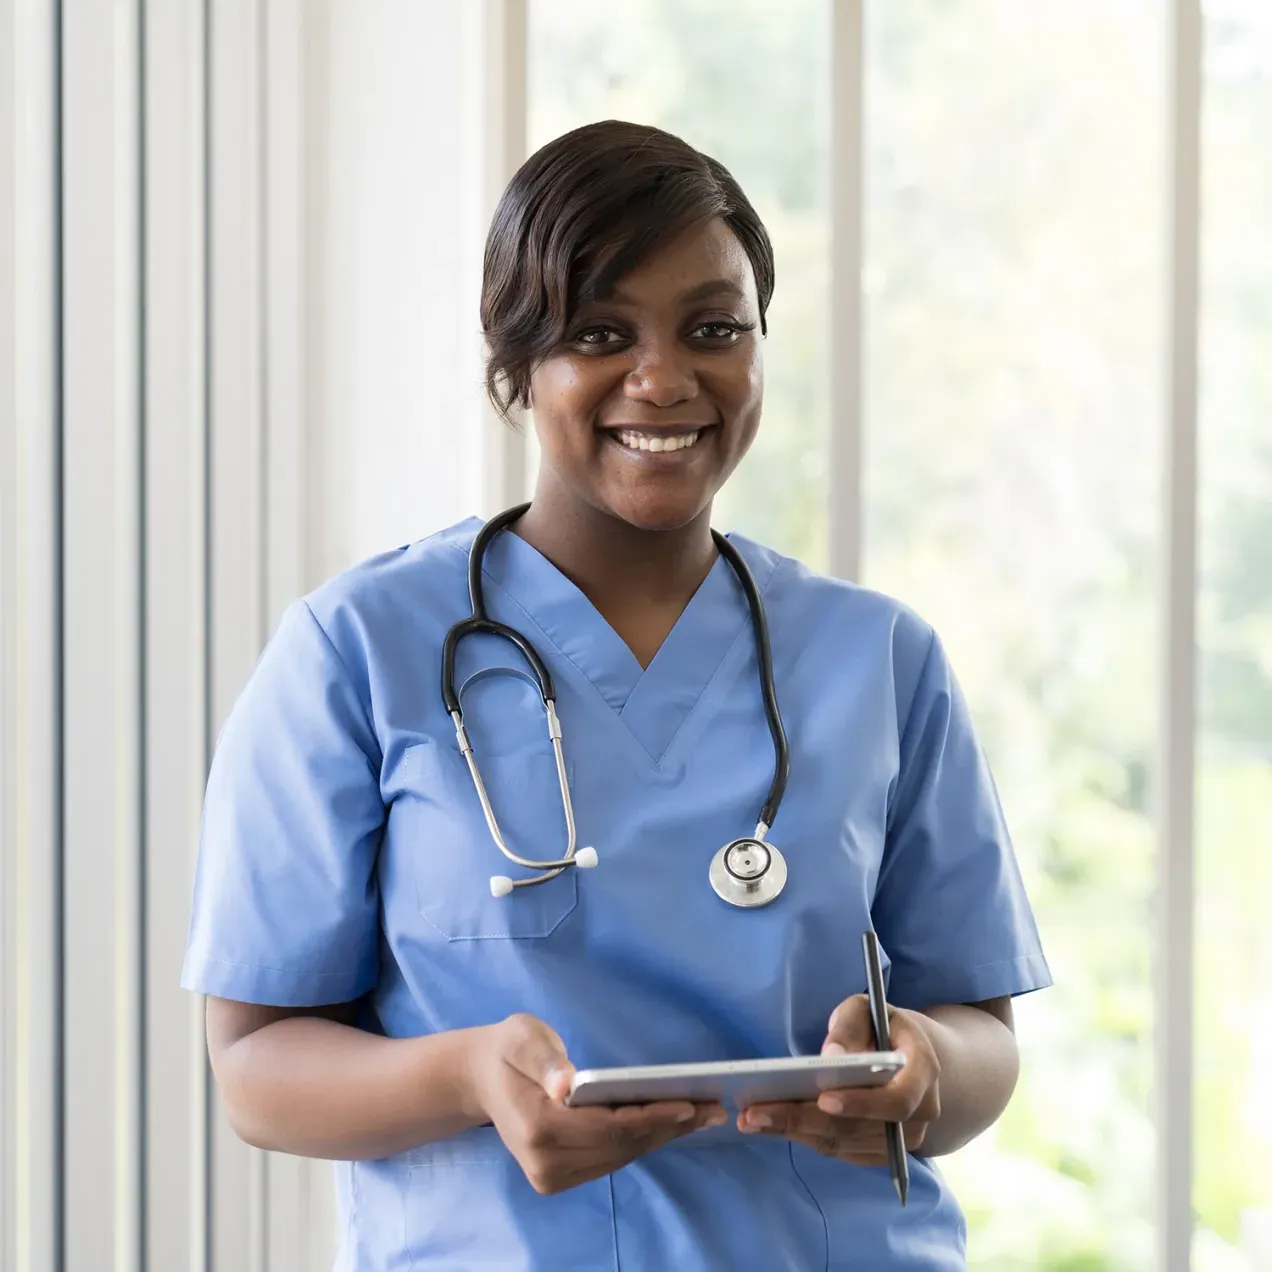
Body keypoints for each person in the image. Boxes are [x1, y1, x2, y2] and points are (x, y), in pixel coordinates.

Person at [183, 119, 1051, 1270]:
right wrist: (465, 1075)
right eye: (600, 333)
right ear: (517, 360)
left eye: (713, 330)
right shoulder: (358, 649)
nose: (663, 379)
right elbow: (254, 1070)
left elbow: (983, 1037)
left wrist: (925, 1072)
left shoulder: (878, 656)